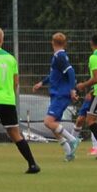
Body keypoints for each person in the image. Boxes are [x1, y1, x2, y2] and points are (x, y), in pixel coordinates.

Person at [0, 26, 40, 175]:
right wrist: (9, 93)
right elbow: (16, 82)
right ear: (2, 40)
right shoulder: (11, 59)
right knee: (15, 133)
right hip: (9, 100)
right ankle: (33, 164)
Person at [32, 32, 80, 161]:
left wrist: (71, 90)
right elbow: (54, 75)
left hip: (60, 95)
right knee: (54, 126)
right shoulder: (57, 56)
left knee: (48, 122)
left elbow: (71, 72)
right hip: (56, 94)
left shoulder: (60, 56)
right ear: (64, 43)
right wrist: (42, 83)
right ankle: (69, 153)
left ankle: (73, 140)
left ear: (52, 43)